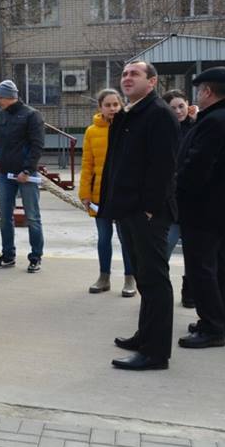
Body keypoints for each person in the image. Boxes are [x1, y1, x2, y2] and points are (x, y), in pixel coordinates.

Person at [99, 61, 179, 371]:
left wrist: (149, 208)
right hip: (128, 210)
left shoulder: (159, 115)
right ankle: (145, 336)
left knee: (155, 280)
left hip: (147, 213)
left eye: (135, 74)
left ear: (153, 81)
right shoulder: (131, 114)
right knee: (145, 278)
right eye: (124, 74)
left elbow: (163, 167)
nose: (127, 78)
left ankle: (156, 353)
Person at [175, 67, 225, 348]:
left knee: (201, 269)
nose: (196, 96)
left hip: (204, 209)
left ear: (207, 91)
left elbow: (197, 167)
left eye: (198, 90)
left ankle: (211, 327)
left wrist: (178, 192)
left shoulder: (214, 122)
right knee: (224, 267)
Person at [79, 89, 135, 297]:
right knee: (104, 237)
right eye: (108, 105)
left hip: (122, 194)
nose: (112, 109)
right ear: (100, 107)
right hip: (98, 194)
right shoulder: (92, 131)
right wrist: (84, 194)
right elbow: (87, 164)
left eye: (116, 104)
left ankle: (130, 278)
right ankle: (104, 277)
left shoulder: (129, 128)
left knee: (125, 238)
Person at [0, 80, 46, 272]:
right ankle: (7, 255)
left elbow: (37, 144)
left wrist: (27, 169)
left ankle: (35, 256)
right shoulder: (0, 117)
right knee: (5, 216)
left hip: (26, 175)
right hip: (6, 174)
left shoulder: (31, 115)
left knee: (32, 216)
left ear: (6, 97)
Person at [162, 89, 197, 308]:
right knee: (164, 248)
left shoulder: (197, 128)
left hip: (192, 201)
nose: (178, 111)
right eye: (173, 108)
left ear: (188, 105)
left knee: (193, 253)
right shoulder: (163, 130)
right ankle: (159, 291)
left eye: (181, 106)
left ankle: (189, 292)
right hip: (170, 202)